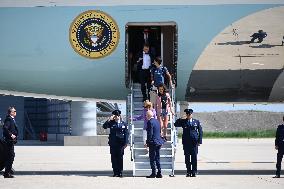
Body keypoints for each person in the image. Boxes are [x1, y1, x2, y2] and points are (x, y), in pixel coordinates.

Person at [174, 108, 202, 177]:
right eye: (187, 114)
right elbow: (175, 124)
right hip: (186, 143)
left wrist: (199, 141)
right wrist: (181, 118)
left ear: (192, 114)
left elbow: (200, 132)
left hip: (194, 143)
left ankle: (194, 171)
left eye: (189, 114)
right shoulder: (184, 121)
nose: (188, 115)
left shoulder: (196, 122)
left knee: (194, 157)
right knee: (187, 158)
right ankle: (188, 171)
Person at [103, 110, 128, 177]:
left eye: (117, 116)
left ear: (119, 116)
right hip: (113, 143)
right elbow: (104, 126)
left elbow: (126, 134)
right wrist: (108, 120)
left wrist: (126, 143)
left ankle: (120, 172)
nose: (116, 117)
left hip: (121, 144)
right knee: (113, 158)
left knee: (120, 158)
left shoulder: (123, 124)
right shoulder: (111, 123)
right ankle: (115, 172)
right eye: (115, 116)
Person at [145, 110, 165, 178]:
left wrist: (147, 142)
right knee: (157, 158)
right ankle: (159, 172)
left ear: (148, 115)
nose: (146, 116)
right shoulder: (157, 121)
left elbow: (150, 133)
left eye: (146, 115)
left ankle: (153, 173)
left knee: (152, 158)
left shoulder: (150, 122)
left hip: (153, 143)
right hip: (158, 142)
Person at [2, 107, 18, 178]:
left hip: (10, 141)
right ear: (11, 112)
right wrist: (11, 135)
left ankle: (8, 170)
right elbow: (5, 128)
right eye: (14, 111)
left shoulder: (11, 119)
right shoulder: (9, 119)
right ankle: (7, 172)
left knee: (10, 156)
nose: (15, 112)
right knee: (10, 156)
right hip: (9, 141)